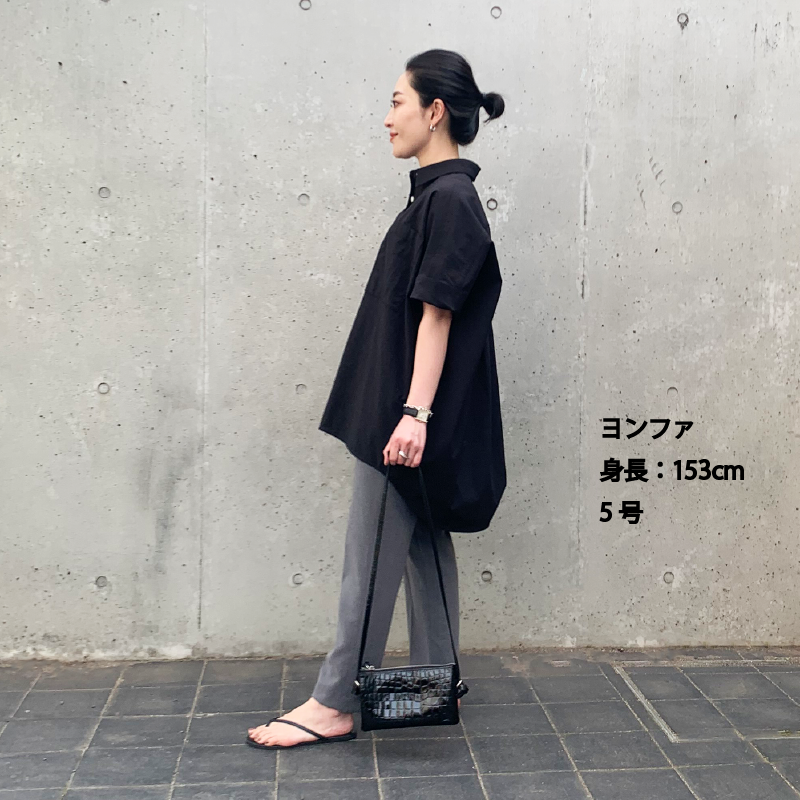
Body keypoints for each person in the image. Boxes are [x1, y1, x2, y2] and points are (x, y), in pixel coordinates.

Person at [247, 48, 506, 750]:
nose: (387, 117)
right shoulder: (437, 197)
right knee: (421, 541)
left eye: (397, 101)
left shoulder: (449, 202)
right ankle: (437, 681)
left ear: (434, 111)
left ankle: (333, 703)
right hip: (407, 411)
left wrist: (413, 416)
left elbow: (438, 315)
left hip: (403, 415)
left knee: (369, 556)